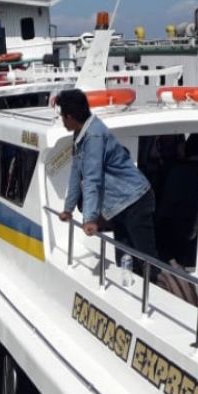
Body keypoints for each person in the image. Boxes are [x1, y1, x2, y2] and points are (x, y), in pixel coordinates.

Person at [56, 89, 157, 266]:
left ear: (70, 117)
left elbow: (91, 179)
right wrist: (68, 209)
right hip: (118, 206)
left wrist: (90, 219)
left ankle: (157, 287)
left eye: (63, 116)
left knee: (146, 259)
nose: (62, 121)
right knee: (124, 259)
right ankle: (130, 289)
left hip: (135, 200)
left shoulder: (94, 135)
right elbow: (75, 173)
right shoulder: (80, 134)